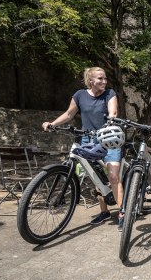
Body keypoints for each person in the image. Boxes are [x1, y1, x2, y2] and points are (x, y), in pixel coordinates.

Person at [42, 67, 124, 228]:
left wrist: (110, 121)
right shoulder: (79, 95)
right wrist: (53, 124)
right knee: (94, 176)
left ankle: (122, 212)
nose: (104, 81)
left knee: (113, 176)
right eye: (100, 79)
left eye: (105, 78)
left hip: (109, 138)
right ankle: (104, 211)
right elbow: (69, 114)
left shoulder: (110, 94)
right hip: (87, 139)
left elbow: (112, 112)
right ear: (90, 80)